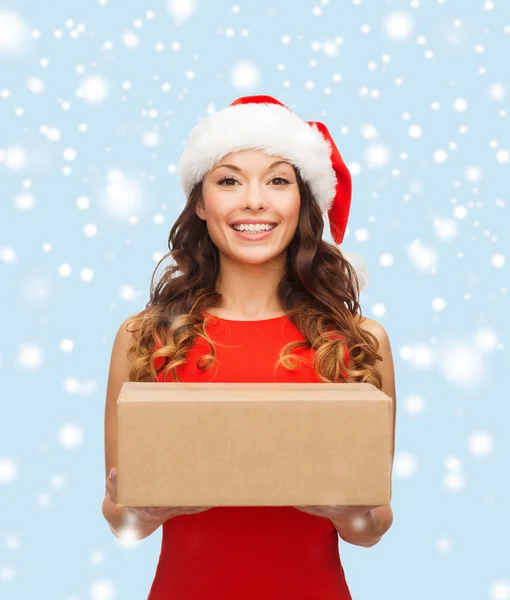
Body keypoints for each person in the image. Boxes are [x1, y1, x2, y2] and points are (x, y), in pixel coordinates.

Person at [102, 95, 397, 599]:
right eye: (229, 180)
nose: (254, 201)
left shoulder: (358, 341)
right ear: (200, 201)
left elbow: (371, 528)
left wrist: (349, 513)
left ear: (303, 199)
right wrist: (143, 511)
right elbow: (121, 521)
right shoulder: (145, 337)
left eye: (278, 180)